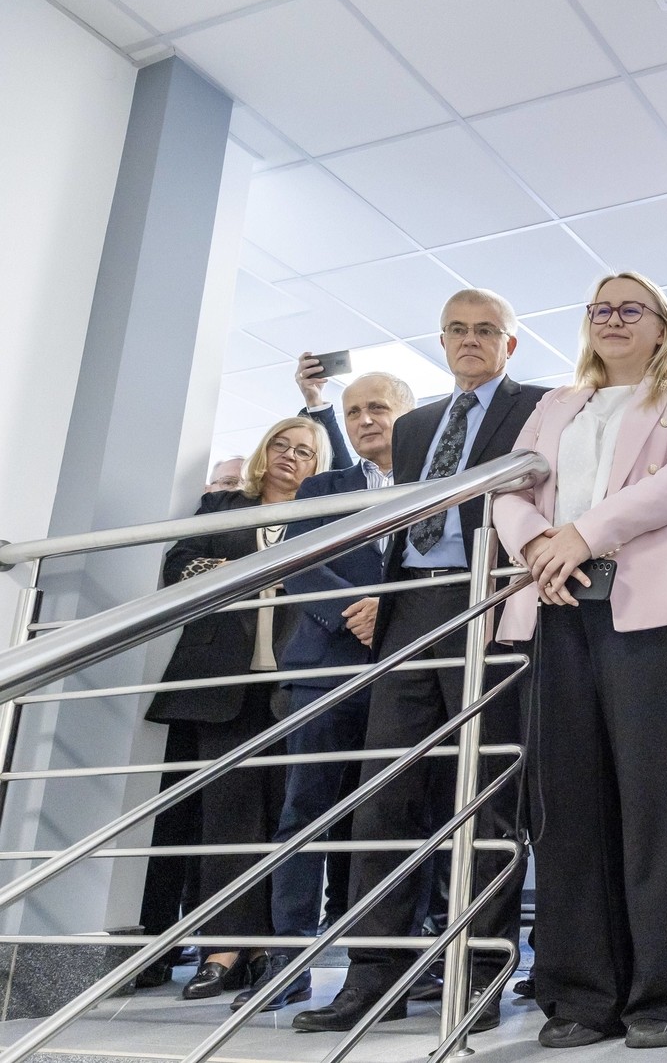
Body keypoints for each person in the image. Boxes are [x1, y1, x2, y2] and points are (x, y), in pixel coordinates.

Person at [293, 289, 546, 1035]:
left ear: (509, 344)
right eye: (457, 330)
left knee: (487, 799)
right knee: (385, 795)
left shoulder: (540, 407)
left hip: (489, 603)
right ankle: (375, 977)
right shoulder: (413, 427)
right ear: (441, 341)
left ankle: (479, 974)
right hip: (408, 609)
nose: (470, 340)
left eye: (486, 330)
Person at [493, 271, 667, 1050]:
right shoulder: (555, 405)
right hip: (554, 603)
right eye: (601, 308)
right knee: (565, 807)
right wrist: (537, 542)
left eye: (633, 308)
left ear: (661, 326)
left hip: (651, 609)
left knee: (658, 805)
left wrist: (584, 533)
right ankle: (580, 996)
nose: (614, 318)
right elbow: (508, 488)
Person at [223, 373, 415, 1013]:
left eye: (378, 408)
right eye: (354, 411)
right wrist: (354, 612)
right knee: (304, 814)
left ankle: (389, 962)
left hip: (405, 667)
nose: (364, 420)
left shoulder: (438, 484)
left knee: (396, 814)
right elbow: (300, 562)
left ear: (409, 414)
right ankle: (289, 962)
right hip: (324, 664)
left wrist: (389, 612)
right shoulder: (322, 488)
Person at [143, 416, 332, 1000]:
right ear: (263, 450)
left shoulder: (326, 514)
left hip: (296, 683)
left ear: (319, 466)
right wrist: (235, 572)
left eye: (305, 451)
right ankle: (223, 947)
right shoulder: (224, 507)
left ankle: (270, 947)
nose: (290, 455)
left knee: (285, 819)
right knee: (226, 820)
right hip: (221, 685)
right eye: (281, 444)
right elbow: (178, 566)